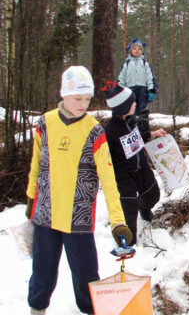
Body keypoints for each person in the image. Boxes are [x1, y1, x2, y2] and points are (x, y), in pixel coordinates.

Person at [25, 66, 132, 315]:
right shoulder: (45, 123)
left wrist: (118, 221)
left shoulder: (94, 131)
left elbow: (109, 180)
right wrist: (31, 198)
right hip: (46, 213)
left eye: (86, 99)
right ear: (63, 94)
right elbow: (36, 165)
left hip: (78, 217)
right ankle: (37, 309)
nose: (82, 105)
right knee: (42, 270)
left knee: (85, 274)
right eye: (77, 99)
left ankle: (90, 310)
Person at [102, 81, 167, 245]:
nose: (135, 104)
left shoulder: (131, 120)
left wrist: (153, 134)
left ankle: (144, 208)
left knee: (153, 194)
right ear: (123, 107)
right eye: (132, 102)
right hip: (123, 176)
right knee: (129, 211)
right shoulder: (110, 131)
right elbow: (104, 156)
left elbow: (137, 137)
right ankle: (129, 243)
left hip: (141, 167)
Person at [118, 38, 158, 133]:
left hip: (142, 90)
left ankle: (144, 132)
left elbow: (150, 77)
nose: (137, 50)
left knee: (143, 111)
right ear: (131, 50)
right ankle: (131, 131)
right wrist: (120, 90)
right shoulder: (126, 64)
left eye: (139, 49)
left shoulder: (145, 63)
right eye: (135, 48)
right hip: (130, 91)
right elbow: (121, 78)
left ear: (142, 51)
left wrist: (152, 90)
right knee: (130, 111)